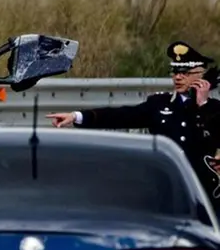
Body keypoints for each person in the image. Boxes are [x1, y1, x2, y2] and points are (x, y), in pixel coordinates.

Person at [46, 41, 220, 205]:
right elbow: (122, 115)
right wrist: (76, 116)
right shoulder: (159, 104)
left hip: (203, 189)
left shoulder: (213, 109)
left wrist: (202, 105)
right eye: (174, 72)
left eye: (185, 73)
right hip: (166, 188)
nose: (178, 77)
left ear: (201, 77)